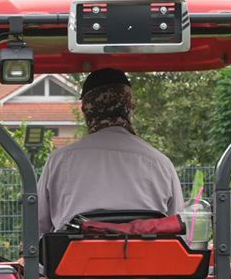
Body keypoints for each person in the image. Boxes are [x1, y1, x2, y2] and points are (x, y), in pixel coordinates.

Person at [36, 68, 184, 235]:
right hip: (146, 261)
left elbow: (37, 229)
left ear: (85, 110)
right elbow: (178, 230)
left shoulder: (58, 162)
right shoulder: (161, 164)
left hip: (73, 261)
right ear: (130, 107)